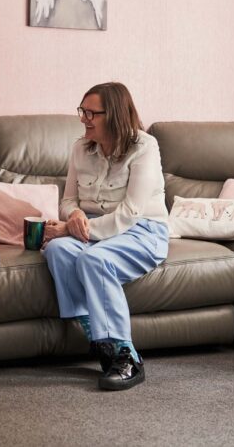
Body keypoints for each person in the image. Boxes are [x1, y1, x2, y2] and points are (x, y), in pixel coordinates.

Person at [43, 82, 169, 391]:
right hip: (95, 228)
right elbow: (68, 200)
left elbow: (130, 213)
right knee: (56, 249)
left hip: (143, 231)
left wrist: (81, 230)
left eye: (91, 113)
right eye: (82, 111)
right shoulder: (80, 148)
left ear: (113, 115)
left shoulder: (145, 147)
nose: (84, 118)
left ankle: (127, 357)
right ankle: (101, 341)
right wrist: (73, 217)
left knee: (94, 259)